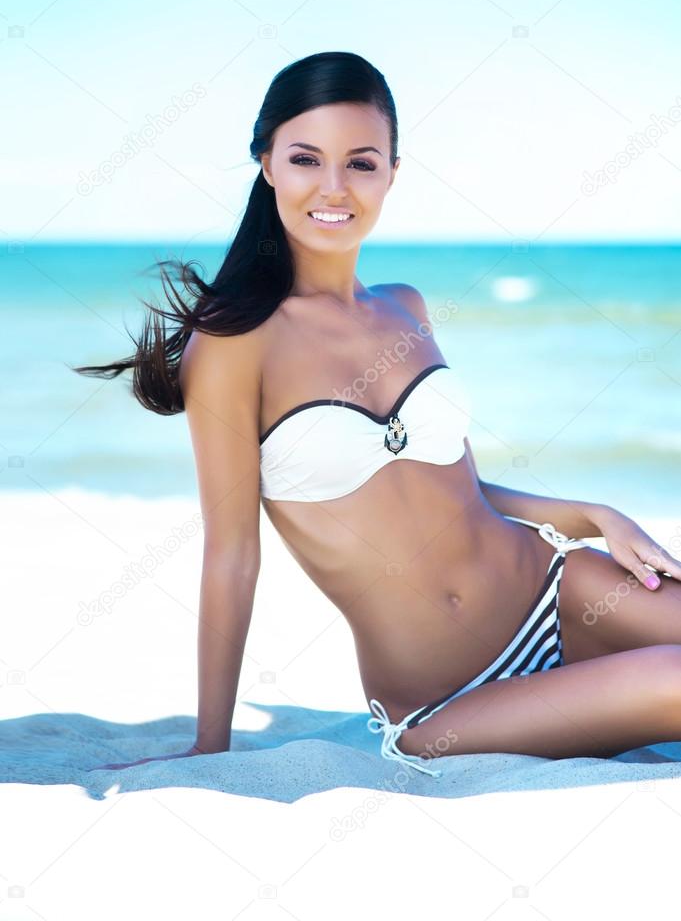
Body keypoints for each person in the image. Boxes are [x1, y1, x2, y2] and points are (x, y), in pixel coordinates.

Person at [77, 50, 681, 778]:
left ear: (392, 172)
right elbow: (232, 555)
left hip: (558, 589)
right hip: (444, 703)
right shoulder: (234, 343)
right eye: (306, 159)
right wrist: (211, 746)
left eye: (361, 163)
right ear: (266, 164)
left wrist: (596, 515)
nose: (333, 188)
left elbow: (462, 493)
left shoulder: (406, 307)